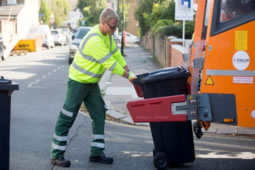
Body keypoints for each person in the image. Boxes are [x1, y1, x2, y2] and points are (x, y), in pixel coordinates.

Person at [50, 8, 137, 167]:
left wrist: (130, 72)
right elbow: (111, 64)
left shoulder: (108, 36)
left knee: (99, 114)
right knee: (67, 116)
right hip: (78, 82)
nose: (114, 30)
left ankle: (96, 153)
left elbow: (116, 56)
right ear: (102, 23)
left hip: (91, 83)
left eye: (116, 27)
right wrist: (130, 78)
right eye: (112, 27)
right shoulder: (95, 40)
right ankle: (56, 154)